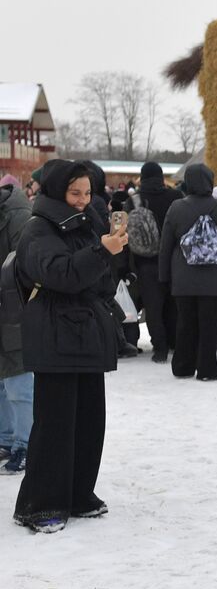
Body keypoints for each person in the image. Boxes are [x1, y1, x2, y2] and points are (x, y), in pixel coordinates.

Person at [12, 161, 125, 533]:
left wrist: (108, 252)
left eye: (87, 193)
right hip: (54, 335)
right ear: (57, 190)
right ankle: (40, 503)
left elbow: (96, 275)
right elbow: (60, 273)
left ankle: (78, 492)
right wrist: (102, 252)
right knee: (56, 424)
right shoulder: (37, 229)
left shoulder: (87, 221)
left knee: (90, 420)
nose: (82, 200)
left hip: (85, 333)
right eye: (75, 193)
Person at [158, 164, 217, 381]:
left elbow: (166, 246)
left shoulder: (176, 208)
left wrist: (163, 276)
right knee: (210, 325)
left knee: (185, 323)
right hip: (213, 280)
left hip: (183, 279)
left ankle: (182, 366)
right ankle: (207, 369)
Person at [130, 161, 182, 362]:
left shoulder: (134, 200)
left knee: (153, 308)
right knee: (173, 305)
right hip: (174, 261)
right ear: (161, 177)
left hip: (146, 263)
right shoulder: (176, 197)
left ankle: (159, 349)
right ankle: (174, 342)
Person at [0, 173, 33, 474]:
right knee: (2, 381)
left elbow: (22, 266)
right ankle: (7, 439)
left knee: (19, 383)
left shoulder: (18, 215)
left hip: (14, 310)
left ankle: (25, 444)